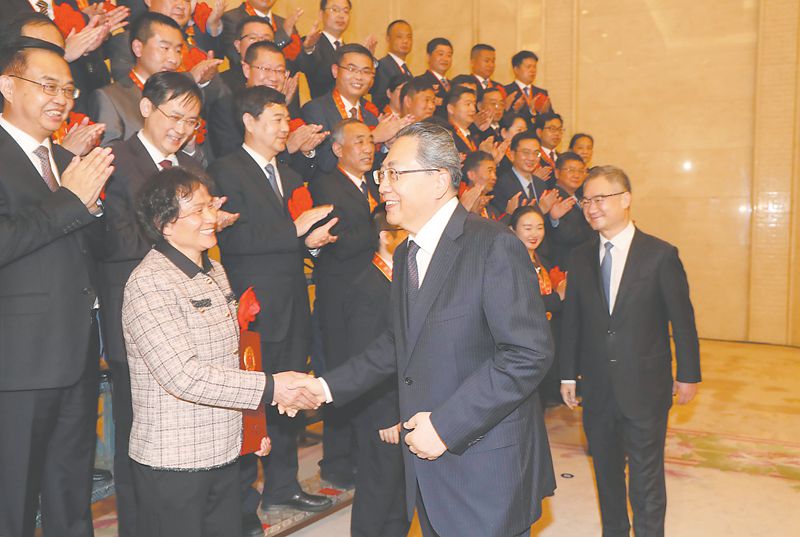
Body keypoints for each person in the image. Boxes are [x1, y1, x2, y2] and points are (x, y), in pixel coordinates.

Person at [289, 122, 557, 537]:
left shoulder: (492, 245)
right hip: (428, 470)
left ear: (438, 180)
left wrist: (447, 426)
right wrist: (323, 387)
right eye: (382, 174)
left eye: (395, 173)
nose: (383, 186)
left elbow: (527, 354)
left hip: (484, 470)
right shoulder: (407, 255)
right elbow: (399, 342)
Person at [122, 167, 315, 537]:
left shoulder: (214, 269)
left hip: (222, 451)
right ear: (165, 224)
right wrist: (272, 388)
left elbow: (232, 356)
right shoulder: (150, 283)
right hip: (175, 461)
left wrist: (252, 428)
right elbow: (184, 376)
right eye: (198, 210)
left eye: (210, 206)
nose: (211, 217)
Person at [208, 86, 337, 528]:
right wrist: (294, 230)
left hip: (293, 303)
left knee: (289, 400)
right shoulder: (225, 170)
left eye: (287, 119)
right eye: (277, 119)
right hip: (253, 309)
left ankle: (284, 486)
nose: (286, 128)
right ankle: (244, 505)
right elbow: (233, 239)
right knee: (250, 406)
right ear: (249, 121)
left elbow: (292, 239)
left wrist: (311, 242)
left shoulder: (288, 173)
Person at [0, 37, 114, 537]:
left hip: (77, 350)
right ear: (8, 85)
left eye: (68, 89)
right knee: (13, 499)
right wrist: (70, 200)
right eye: (48, 86)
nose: (61, 99)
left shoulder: (67, 159)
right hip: (18, 362)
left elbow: (98, 248)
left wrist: (94, 206)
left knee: (71, 494)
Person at [97, 71, 211, 537]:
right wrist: (183, 233)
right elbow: (114, 241)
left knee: (186, 436)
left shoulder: (194, 170)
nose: (182, 129)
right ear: (146, 108)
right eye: (174, 116)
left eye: (192, 121)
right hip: (136, 322)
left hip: (190, 323)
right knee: (136, 438)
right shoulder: (114, 160)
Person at [560, 165, 701, 537]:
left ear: (625, 200)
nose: (591, 208)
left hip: (645, 386)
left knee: (646, 478)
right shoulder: (580, 257)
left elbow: (682, 321)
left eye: (600, 199)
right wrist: (567, 374)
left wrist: (688, 373)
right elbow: (572, 320)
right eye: (586, 201)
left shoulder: (660, 255)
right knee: (606, 474)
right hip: (598, 388)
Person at [308, 118, 380, 488]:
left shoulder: (374, 184)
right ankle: (336, 461)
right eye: (359, 141)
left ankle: (363, 454)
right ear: (337, 149)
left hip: (370, 297)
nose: (368, 148)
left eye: (370, 141)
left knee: (368, 375)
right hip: (339, 299)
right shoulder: (325, 184)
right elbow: (338, 241)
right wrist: (382, 223)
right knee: (339, 376)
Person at [346, 206, 410, 537]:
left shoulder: (400, 277)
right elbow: (367, 358)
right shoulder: (367, 287)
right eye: (405, 234)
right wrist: (386, 414)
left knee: (399, 490)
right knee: (377, 489)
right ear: (386, 237)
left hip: (403, 402)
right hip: (380, 409)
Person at [300, 43, 409, 175]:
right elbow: (324, 162)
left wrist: (387, 146)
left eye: (366, 71)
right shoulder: (316, 110)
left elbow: (372, 168)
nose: (359, 77)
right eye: (351, 69)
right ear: (335, 71)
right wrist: (373, 138)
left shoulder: (370, 116)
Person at [510, 206, 565, 405]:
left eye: (540, 227)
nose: (535, 234)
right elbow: (520, 304)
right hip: (523, 343)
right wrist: (557, 298)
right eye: (527, 228)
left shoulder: (542, 261)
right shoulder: (509, 263)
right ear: (512, 230)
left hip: (544, 339)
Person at [297, 0, 355, 99]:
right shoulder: (311, 44)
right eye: (335, 10)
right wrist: (309, 49)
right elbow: (306, 65)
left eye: (345, 11)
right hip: (322, 106)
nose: (341, 15)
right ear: (321, 14)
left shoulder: (349, 51)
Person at [220, 0, 303, 66]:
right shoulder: (231, 18)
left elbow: (298, 63)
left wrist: (308, 49)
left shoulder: (284, 23)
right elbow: (237, 58)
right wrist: (283, 36)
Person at [549, 151, 593, 269]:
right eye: (571, 170)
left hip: (583, 262)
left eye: (580, 171)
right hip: (564, 265)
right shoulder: (553, 197)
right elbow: (566, 234)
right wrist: (597, 226)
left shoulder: (581, 197)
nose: (576, 175)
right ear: (557, 173)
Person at [220, 15, 276, 92]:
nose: (259, 42)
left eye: (266, 39)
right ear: (238, 45)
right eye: (253, 38)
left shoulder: (282, 79)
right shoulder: (223, 83)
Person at [372, 19, 413, 111]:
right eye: (399, 37)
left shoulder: (406, 69)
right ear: (388, 39)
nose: (405, 41)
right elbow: (380, 100)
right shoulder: (381, 66)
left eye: (409, 37)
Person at [504, 50, 553, 124]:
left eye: (534, 67)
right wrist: (514, 110)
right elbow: (503, 121)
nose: (533, 70)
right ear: (516, 69)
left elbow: (551, 120)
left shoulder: (541, 93)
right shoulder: (506, 91)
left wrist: (544, 114)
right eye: (528, 67)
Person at [418, 37, 453, 116]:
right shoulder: (421, 82)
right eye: (441, 54)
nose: (445, 59)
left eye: (449, 55)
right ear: (428, 57)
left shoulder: (453, 84)